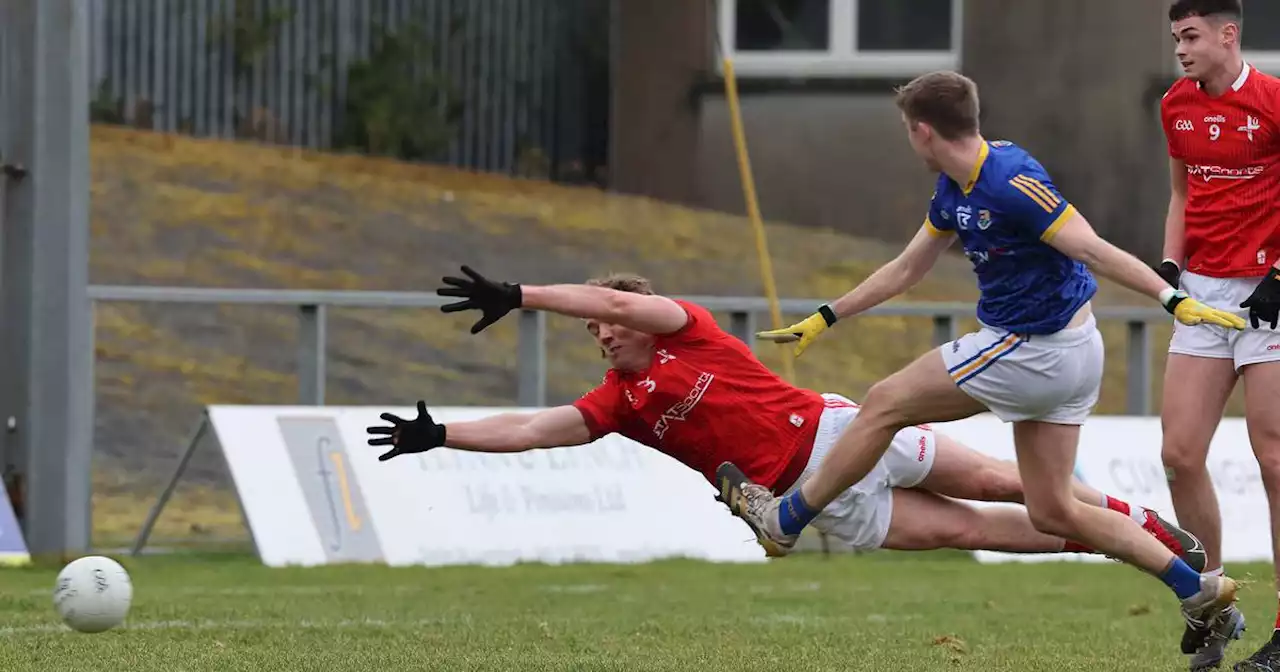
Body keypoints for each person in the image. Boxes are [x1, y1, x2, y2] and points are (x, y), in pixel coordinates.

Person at [712, 69, 1247, 666]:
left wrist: (1170, 298)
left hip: (1035, 348)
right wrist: (828, 316)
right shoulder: (953, 187)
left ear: (922, 131)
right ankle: (1197, 592)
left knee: (885, 402)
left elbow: (1090, 246)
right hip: (1056, 354)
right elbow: (907, 268)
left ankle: (785, 519)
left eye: (906, 132)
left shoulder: (1010, 178)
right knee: (1053, 511)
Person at [366, 266, 1207, 568]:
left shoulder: (682, 330)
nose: (598, 330)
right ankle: (1117, 541)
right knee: (970, 531)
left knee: (1000, 477)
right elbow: (531, 430)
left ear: (636, 311)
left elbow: (601, 296)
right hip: (814, 498)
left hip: (845, 434)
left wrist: (521, 296)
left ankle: (1147, 526)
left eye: (604, 318)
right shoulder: (616, 405)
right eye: (591, 326)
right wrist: (443, 434)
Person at [1156, 2, 1280, 669]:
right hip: (1204, 295)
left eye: (1192, 36)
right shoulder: (1175, 105)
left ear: (1228, 35)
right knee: (1178, 452)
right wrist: (1171, 265)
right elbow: (1181, 193)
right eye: (1176, 38)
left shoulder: (1274, 101)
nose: (1180, 49)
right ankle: (1215, 602)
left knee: (1274, 459)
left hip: (1272, 296)